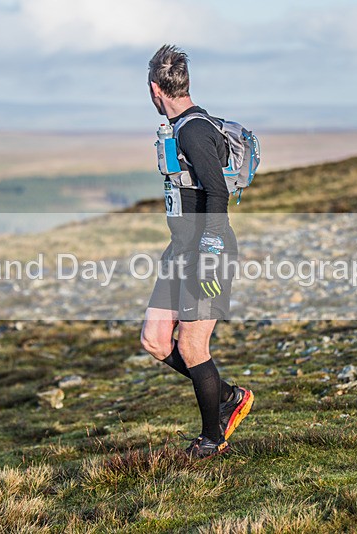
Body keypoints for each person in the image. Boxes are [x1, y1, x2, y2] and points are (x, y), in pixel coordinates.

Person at [140, 44, 254, 461]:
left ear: (156, 90)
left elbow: (217, 191)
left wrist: (207, 249)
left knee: (191, 346)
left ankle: (213, 439)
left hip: (208, 250)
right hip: (181, 250)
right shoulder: (182, 128)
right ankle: (226, 395)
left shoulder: (193, 130)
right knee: (155, 340)